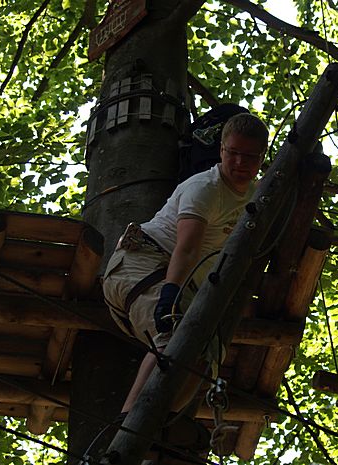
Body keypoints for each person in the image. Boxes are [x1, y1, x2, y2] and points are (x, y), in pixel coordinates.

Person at [101, 113, 269, 454]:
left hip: (168, 280)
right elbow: (187, 247)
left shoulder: (255, 197)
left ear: (262, 157)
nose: (239, 162)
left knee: (202, 355)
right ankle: (128, 420)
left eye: (249, 156)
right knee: (175, 338)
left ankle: (157, 426)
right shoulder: (204, 188)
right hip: (139, 268)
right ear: (221, 150)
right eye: (233, 152)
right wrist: (169, 295)